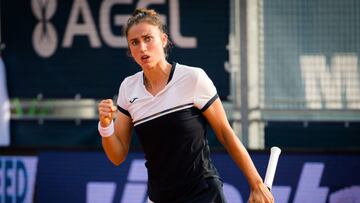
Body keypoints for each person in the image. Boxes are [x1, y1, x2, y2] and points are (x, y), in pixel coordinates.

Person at [98, 8, 274, 203]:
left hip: (202, 194)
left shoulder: (193, 78)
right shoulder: (128, 88)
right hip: (159, 197)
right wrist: (106, 126)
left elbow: (225, 133)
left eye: (148, 39)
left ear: (163, 40)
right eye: (135, 42)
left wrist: (256, 184)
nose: (142, 48)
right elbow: (117, 156)